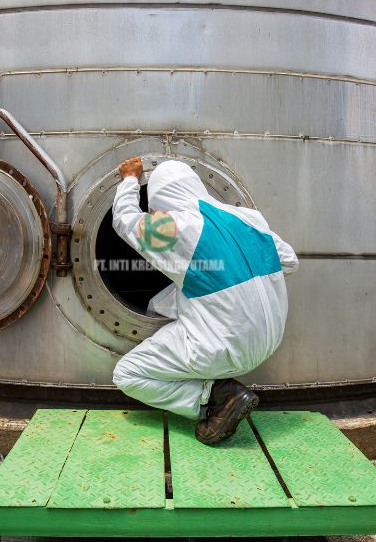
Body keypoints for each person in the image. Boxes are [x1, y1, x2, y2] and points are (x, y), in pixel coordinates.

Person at [111, 157, 298, 444]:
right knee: (177, 293)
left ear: (160, 197)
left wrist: (129, 180)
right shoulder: (250, 219)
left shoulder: (177, 227)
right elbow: (289, 261)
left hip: (223, 349)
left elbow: (125, 222)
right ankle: (219, 381)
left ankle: (217, 397)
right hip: (271, 340)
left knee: (127, 374)